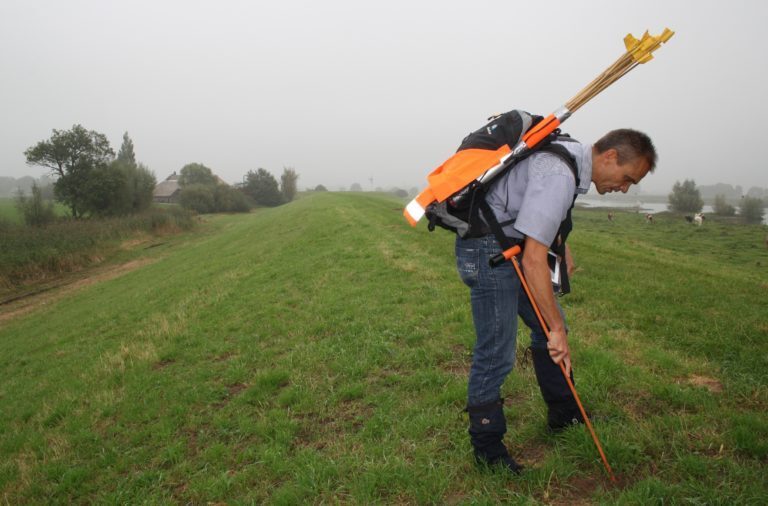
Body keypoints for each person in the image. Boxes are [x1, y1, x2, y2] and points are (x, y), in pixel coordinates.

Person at [455, 128, 657, 473]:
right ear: (609, 157)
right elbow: (534, 261)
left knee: (543, 326)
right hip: (490, 251)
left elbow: (535, 215)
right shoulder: (559, 173)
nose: (623, 189)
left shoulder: (569, 161)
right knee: (497, 351)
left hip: (507, 245)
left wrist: (562, 246)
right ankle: (487, 451)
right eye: (626, 179)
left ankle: (564, 415)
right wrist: (558, 328)